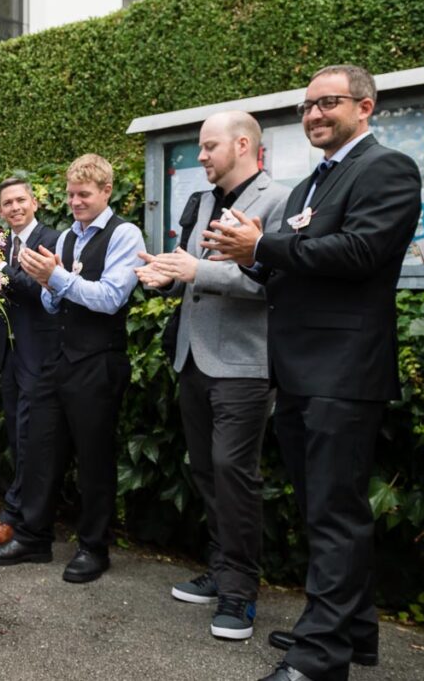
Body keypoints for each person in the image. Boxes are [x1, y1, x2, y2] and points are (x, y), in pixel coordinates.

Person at [201, 65, 422, 681]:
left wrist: (263, 248)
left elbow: (359, 253)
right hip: (296, 371)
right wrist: (244, 253)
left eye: (329, 103)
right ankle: (354, 633)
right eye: (308, 106)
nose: (315, 115)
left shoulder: (388, 170)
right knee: (323, 508)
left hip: (344, 372)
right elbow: (284, 267)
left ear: (365, 106)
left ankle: (320, 657)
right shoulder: (305, 190)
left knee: (334, 513)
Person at [136, 111, 289, 640]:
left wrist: (196, 271)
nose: (200, 156)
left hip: (244, 364)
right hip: (193, 357)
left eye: (208, 147)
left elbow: (273, 282)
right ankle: (221, 569)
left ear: (243, 144)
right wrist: (161, 278)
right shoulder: (200, 202)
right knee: (205, 470)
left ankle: (240, 594)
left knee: (234, 472)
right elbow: (187, 275)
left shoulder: (278, 200)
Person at [0, 153, 145, 584]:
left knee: (93, 458)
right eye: (71, 194)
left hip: (99, 361)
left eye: (84, 194)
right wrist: (47, 283)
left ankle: (93, 547)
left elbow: (110, 297)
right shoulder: (68, 238)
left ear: (106, 191)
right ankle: (34, 537)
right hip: (61, 360)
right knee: (41, 448)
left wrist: (57, 278)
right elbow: (54, 303)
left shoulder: (124, 233)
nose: (75, 202)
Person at [0, 176, 60, 545]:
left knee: (31, 435)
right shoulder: (2, 246)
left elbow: (37, 288)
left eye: (20, 200)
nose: (14, 207)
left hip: (40, 354)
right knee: (15, 432)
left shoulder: (52, 240)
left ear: (34, 202)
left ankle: (18, 520)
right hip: (9, 355)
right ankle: (21, 516)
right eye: (7, 203)